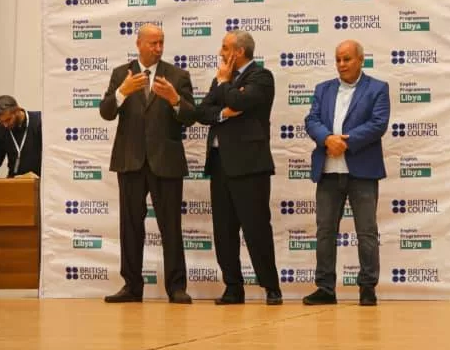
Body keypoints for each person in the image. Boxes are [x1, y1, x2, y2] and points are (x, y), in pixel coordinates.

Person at [99, 24, 198, 304]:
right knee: (130, 226)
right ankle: (132, 286)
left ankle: (176, 287)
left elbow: (191, 116)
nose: (158, 48)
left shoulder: (177, 76)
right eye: (153, 43)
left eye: (161, 43)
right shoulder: (122, 74)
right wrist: (122, 92)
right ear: (139, 44)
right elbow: (106, 112)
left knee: (171, 227)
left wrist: (175, 99)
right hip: (130, 160)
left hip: (165, 160)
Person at [196, 29, 282, 306]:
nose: (220, 53)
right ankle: (233, 287)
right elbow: (203, 112)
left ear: (239, 52)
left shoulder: (261, 77)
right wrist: (223, 112)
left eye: (225, 48)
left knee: (256, 229)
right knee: (224, 230)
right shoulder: (223, 78)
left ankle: (271, 287)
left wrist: (225, 86)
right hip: (220, 164)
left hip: (250, 166)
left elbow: (240, 101)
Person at [301, 40, 389, 306]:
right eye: (338, 59)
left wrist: (345, 143)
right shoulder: (323, 89)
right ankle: (325, 288)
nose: (341, 64)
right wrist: (327, 139)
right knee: (325, 232)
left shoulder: (377, 88)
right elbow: (311, 120)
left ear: (361, 59)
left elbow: (378, 124)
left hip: (362, 172)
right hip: (328, 171)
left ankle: (367, 287)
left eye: (347, 59)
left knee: (366, 232)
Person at [0, 95, 42, 179]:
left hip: (40, 179)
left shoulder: (39, 121)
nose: (5, 125)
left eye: (8, 120)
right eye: (1, 121)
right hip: (14, 180)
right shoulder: (0, 129)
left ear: (18, 110)